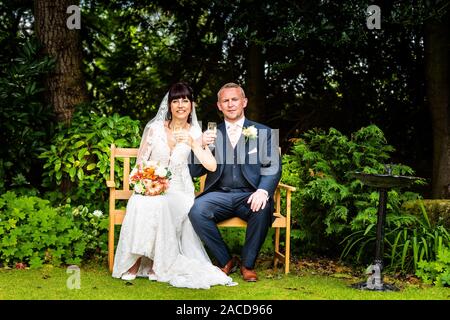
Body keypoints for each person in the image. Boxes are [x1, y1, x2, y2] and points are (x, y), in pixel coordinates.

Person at [112, 82, 235, 289]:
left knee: (160, 205)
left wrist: (195, 143)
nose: (180, 105)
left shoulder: (196, 132)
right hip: (151, 186)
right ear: (168, 106)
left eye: (185, 100)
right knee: (139, 202)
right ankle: (137, 261)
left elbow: (211, 166)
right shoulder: (153, 129)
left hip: (180, 190)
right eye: (175, 100)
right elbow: (140, 164)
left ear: (191, 105)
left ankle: (154, 263)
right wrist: (145, 183)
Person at [188, 82, 282, 282]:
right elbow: (195, 171)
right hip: (218, 194)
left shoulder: (263, 132)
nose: (230, 104)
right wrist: (199, 145)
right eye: (225, 101)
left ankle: (247, 265)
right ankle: (225, 260)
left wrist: (263, 191)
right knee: (196, 210)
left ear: (244, 102)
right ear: (219, 106)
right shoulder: (211, 133)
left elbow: (273, 167)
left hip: (250, 194)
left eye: (234, 99)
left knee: (263, 207)